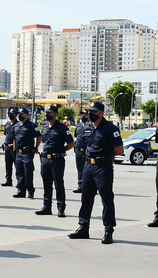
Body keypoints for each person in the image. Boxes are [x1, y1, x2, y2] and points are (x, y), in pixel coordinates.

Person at [68, 102, 124, 244]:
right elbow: (82, 145)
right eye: (89, 111)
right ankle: (83, 227)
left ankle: (108, 230)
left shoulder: (110, 128)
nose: (90, 113)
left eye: (94, 111)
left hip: (103, 167)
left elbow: (119, 150)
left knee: (106, 199)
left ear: (101, 113)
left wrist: (105, 156)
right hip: (88, 166)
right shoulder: (86, 127)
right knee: (86, 198)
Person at [35, 105, 75, 217]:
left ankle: (61, 208)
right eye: (46, 113)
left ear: (56, 114)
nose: (47, 115)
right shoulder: (44, 127)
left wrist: (62, 151)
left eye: (50, 113)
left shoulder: (62, 127)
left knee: (58, 184)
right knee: (46, 184)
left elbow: (71, 143)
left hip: (57, 160)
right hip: (45, 160)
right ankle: (46, 207)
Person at [13, 107, 41, 199]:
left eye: (22, 114)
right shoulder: (16, 125)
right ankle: (21, 191)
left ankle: (30, 191)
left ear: (27, 115)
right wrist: (14, 147)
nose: (20, 116)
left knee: (28, 172)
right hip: (18, 153)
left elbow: (38, 136)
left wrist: (36, 147)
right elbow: (14, 137)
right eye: (19, 114)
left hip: (27, 152)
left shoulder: (31, 125)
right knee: (19, 172)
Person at [72, 112, 90, 193]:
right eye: (82, 115)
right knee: (79, 169)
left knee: (88, 170)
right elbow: (76, 136)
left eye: (85, 115)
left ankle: (89, 187)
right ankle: (80, 186)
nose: (83, 117)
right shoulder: (78, 125)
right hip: (78, 150)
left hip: (87, 150)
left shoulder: (90, 125)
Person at [1, 106, 18, 187]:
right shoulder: (7, 124)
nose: (10, 115)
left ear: (16, 115)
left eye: (12, 114)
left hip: (14, 147)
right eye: (9, 114)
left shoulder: (18, 124)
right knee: (8, 165)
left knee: (17, 166)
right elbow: (6, 134)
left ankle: (19, 181)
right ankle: (8, 180)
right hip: (7, 147)